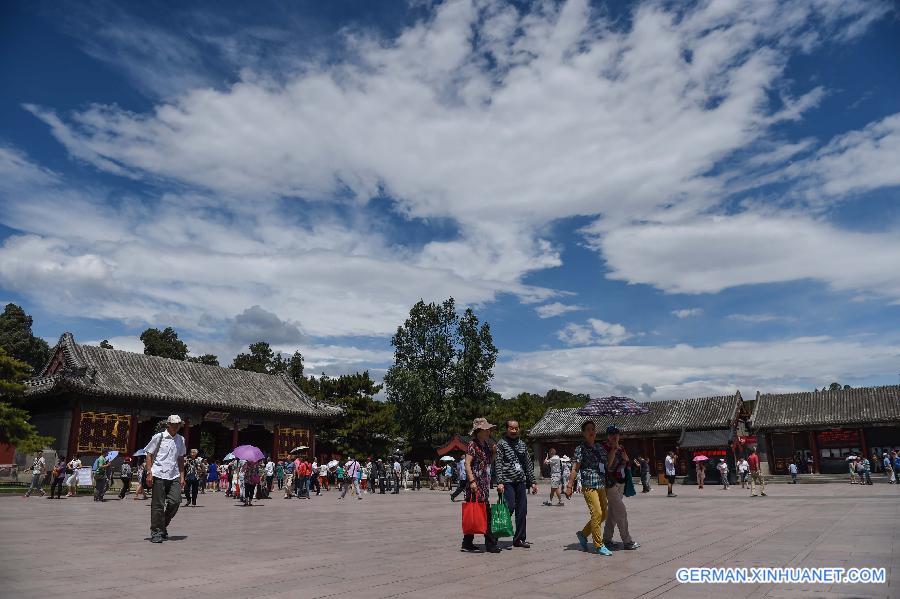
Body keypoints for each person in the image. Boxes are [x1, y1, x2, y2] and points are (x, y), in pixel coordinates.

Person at [565, 420, 612, 555]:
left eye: (593, 429)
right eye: (588, 429)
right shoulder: (580, 449)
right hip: (589, 485)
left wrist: (614, 449)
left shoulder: (600, 447)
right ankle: (599, 544)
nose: (591, 431)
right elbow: (575, 468)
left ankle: (583, 533)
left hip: (601, 483)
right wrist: (569, 485)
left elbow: (607, 464)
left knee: (603, 514)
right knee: (596, 513)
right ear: (584, 433)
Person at [495, 420, 538, 549]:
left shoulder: (522, 445)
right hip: (507, 482)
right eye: (511, 428)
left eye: (516, 428)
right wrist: (500, 481)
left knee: (522, 510)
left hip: (520, 481)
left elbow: (528, 464)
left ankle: (519, 538)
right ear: (507, 429)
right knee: (508, 508)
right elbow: (498, 463)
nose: (514, 431)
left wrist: (533, 482)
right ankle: (493, 536)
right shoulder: (501, 444)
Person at [144, 415, 187, 543]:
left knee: (175, 501)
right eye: (173, 424)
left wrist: (182, 476)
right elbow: (149, 454)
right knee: (158, 505)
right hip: (158, 474)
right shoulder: (159, 437)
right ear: (168, 424)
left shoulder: (181, 439)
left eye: (178, 424)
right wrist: (149, 472)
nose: (176, 426)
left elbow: (180, 458)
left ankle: (162, 525)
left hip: (174, 474)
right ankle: (156, 531)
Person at [461, 417, 500, 553]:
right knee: (485, 512)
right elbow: (467, 464)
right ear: (479, 431)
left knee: (475, 511)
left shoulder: (485, 445)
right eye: (486, 429)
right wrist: (472, 481)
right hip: (476, 484)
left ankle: (467, 542)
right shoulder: (473, 444)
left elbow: (489, 462)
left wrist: (494, 452)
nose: (489, 431)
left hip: (483, 483)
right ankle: (490, 543)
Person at [601, 425, 638, 551]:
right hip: (610, 483)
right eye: (611, 433)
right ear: (607, 436)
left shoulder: (621, 447)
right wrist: (612, 449)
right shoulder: (603, 448)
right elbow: (607, 466)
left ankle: (606, 539)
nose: (614, 436)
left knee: (612, 513)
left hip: (621, 483)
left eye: (616, 433)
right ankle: (627, 540)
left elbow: (627, 461)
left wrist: (624, 457)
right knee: (621, 510)